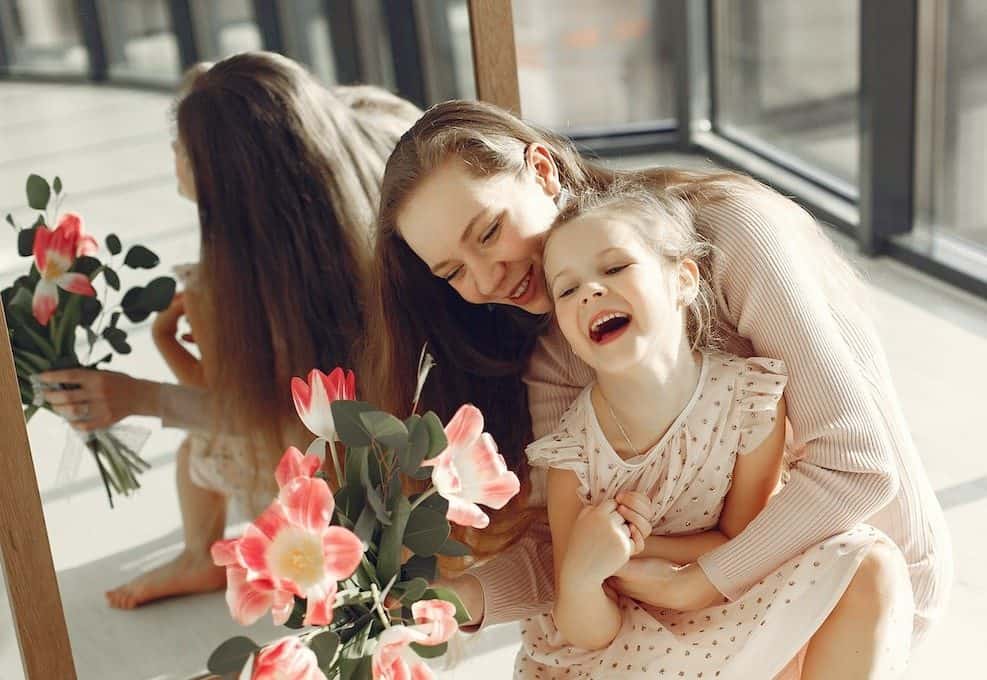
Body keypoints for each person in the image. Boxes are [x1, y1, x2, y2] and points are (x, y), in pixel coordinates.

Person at [365, 99, 951, 676]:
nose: (486, 277)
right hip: (682, 607)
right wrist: (462, 597)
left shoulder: (728, 235)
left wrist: (698, 584)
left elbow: (857, 465)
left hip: (844, 571)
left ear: (542, 171)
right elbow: (570, 547)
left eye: (489, 232)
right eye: (453, 272)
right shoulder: (558, 350)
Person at [38, 52, 421, 609]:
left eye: (183, 145)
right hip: (384, 427)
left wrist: (143, 396)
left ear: (231, 179)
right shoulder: (340, 169)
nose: (173, 156)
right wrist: (171, 342)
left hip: (382, 452)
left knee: (205, 448)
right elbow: (242, 391)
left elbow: (281, 420)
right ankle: (203, 552)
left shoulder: (303, 279)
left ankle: (203, 555)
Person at [516, 186, 912, 678]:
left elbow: (744, 541)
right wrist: (582, 572)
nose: (591, 291)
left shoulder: (748, 399)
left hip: (722, 597)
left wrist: (632, 553)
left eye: (615, 268)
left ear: (683, 279)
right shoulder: (572, 454)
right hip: (623, 646)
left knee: (869, 561)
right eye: (567, 289)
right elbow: (585, 628)